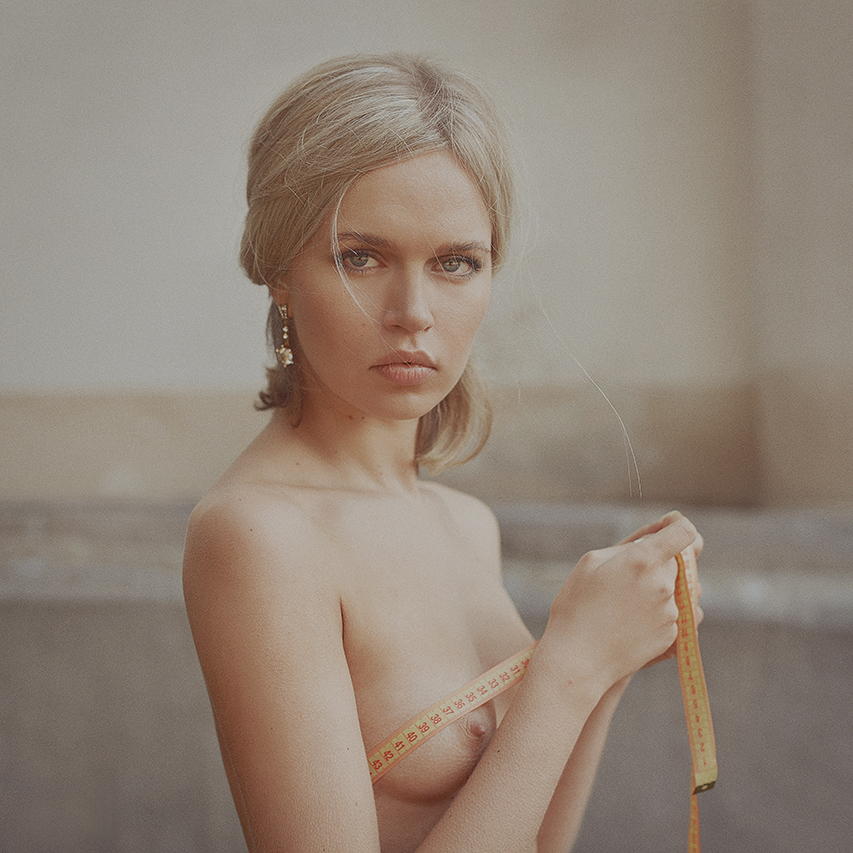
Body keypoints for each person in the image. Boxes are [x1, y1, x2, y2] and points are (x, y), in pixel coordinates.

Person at [182, 53, 702, 853]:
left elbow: (537, 844)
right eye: (360, 256)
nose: (413, 311)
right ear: (279, 271)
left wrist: (606, 664)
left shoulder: (464, 522)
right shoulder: (260, 536)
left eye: (455, 262)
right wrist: (567, 666)